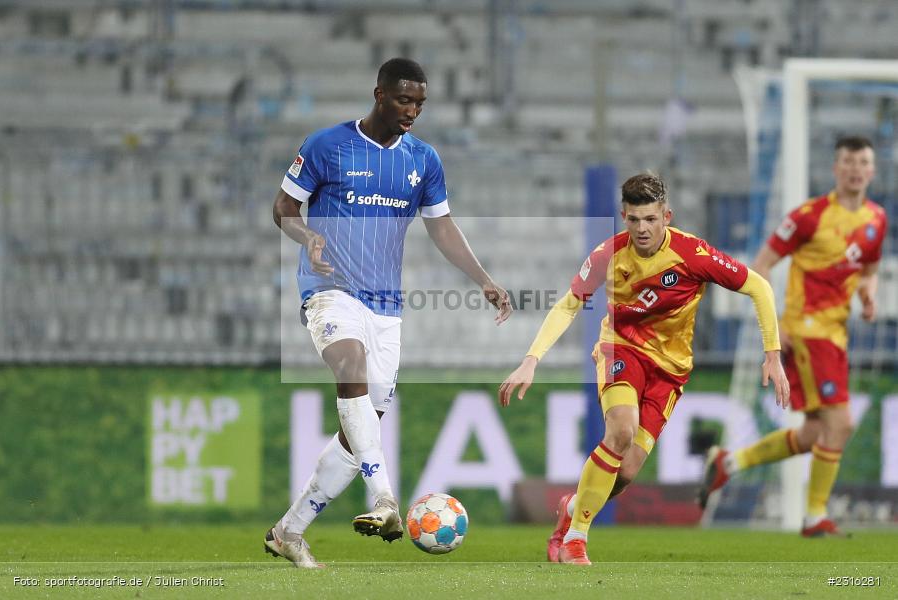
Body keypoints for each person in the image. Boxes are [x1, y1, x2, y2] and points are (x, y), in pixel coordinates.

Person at [267, 58, 512, 568]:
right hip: (329, 289)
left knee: (363, 431)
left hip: (386, 306)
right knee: (349, 366)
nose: (412, 111)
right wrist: (308, 235)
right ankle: (384, 500)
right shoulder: (326, 146)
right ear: (379, 94)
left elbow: (442, 227)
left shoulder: (423, 159)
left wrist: (484, 279)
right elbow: (283, 210)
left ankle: (289, 531)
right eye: (404, 100)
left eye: (420, 103)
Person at [499, 173, 789, 565]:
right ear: (624, 217)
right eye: (634, 220)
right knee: (620, 429)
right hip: (621, 348)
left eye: (650, 219)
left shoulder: (693, 255)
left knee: (628, 471)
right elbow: (569, 303)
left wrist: (772, 353)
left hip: (670, 370)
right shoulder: (609, 253)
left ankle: (573, 510)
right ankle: (575, 541)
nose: (642, 229)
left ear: (666, 216)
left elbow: (759, 287)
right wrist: (531, 359)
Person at [698, 136, 887, 537]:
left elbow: (869, 268)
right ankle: (815, 516)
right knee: (841, 423)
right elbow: (762, 264)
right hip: (806, 330)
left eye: (863, 162)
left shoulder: (876, 220)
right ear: (836, 169)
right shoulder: (808, 216)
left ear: (872, 171)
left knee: (815, 433)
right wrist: (772, 323)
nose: (855, 169)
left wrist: (869, 293)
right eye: (848, 162)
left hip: (836, 332)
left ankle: (728, 463)